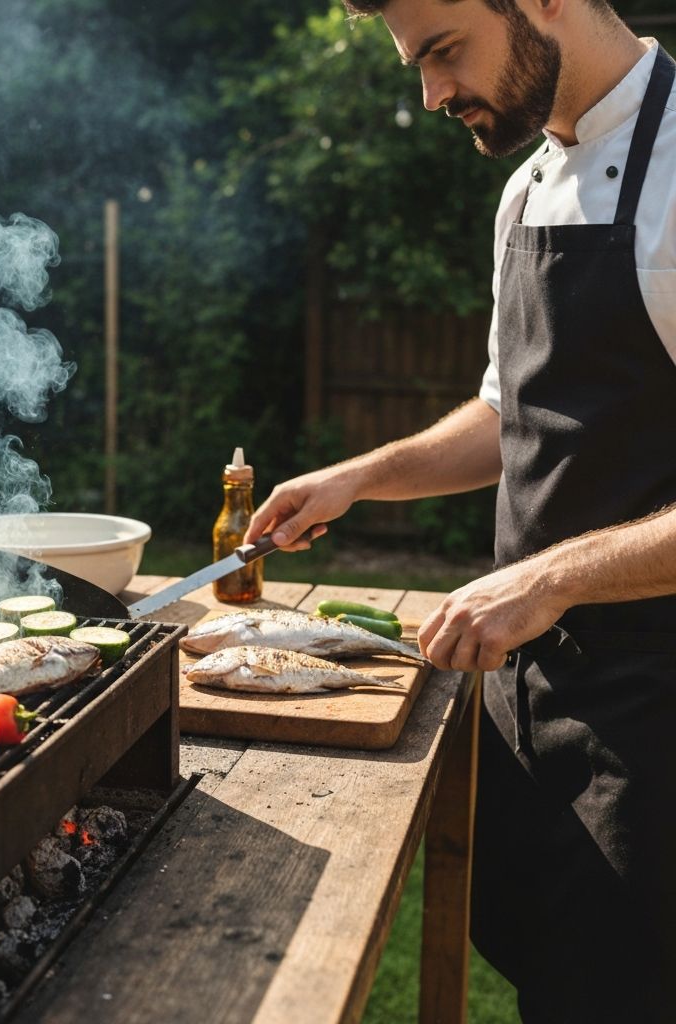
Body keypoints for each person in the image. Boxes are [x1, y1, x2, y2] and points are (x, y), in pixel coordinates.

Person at [244, 1, 676, 1020]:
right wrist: (362, 475)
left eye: (444, 52)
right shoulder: (524, 192)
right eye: (417, 63)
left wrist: (548, 578)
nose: (432, 93)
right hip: (529, 700)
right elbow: (509, 411)